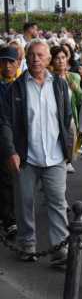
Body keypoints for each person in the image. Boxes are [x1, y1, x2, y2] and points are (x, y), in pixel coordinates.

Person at [0, 39, 72, 265]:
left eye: (41, 55)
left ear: (49, 59)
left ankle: (60, 249)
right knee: (25, 202)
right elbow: (6, 123)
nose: (36, 59)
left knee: (57, 202)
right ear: (26, 59)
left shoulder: (59, 85)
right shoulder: (16, 88)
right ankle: (27, 243)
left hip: (55, 156)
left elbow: (66, 117)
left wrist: (67, 147)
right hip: (26, 157)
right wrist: (11, 151)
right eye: (32, 55)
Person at [0, 46, 21, 237]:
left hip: (17, 139)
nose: (7, 66)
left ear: (18, 64)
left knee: (11, 180)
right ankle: (8, 218)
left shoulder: (21, 85)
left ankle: (10, 218)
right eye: (3, 61)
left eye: (11, 62)